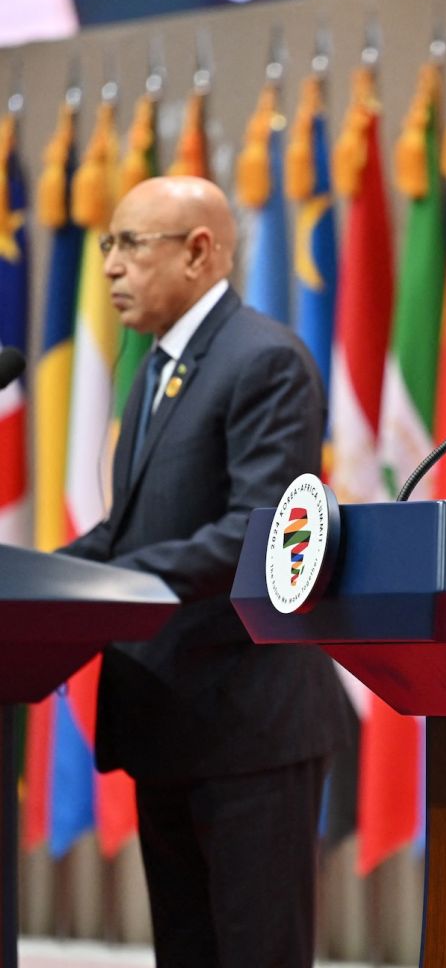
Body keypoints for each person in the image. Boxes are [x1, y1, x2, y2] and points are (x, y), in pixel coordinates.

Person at [62, 175, 352, 967]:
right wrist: (42, 580)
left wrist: (108, 585)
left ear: (198, 253)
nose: (111, 267)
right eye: (106, 246)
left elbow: (258, 535)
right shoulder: (159, 369)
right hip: (169, 719)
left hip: (247, 725)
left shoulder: (263, 361)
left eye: (129, 244)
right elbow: (132, 531)